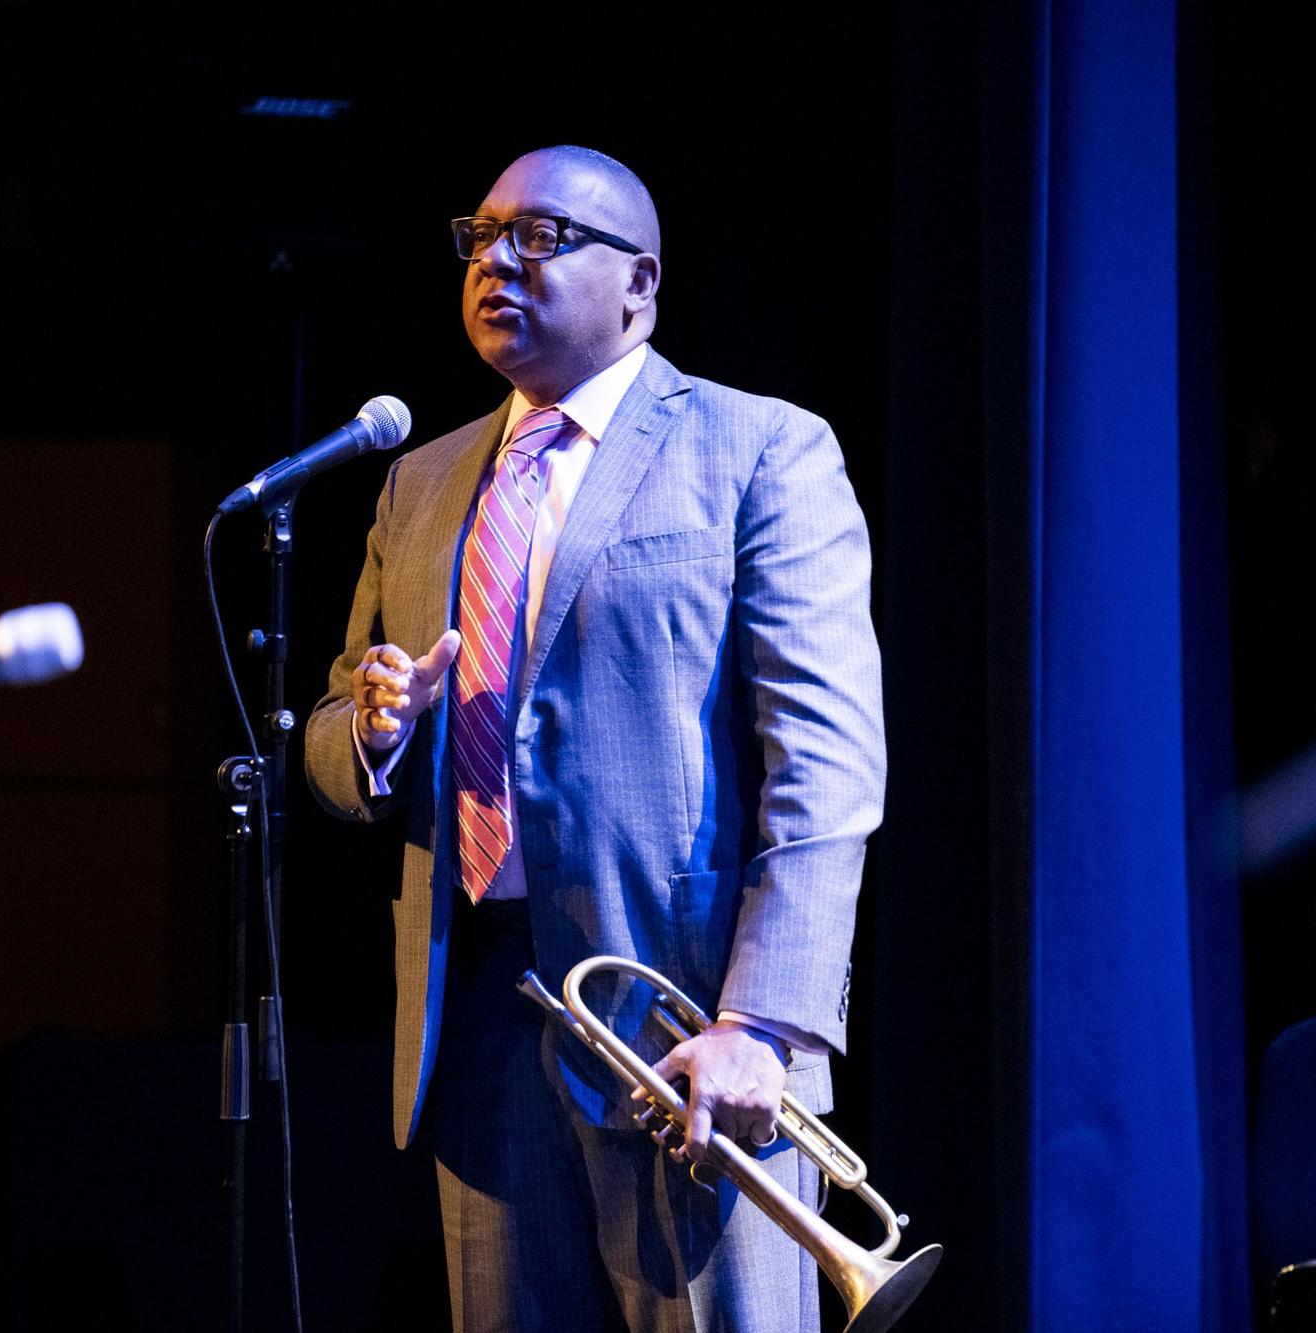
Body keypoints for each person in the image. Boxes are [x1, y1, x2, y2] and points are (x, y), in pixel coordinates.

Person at [304, 144, 884, 1332]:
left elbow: (823, 764)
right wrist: (372, 731)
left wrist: (760, 1023)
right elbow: (328, 734)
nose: (497, 260)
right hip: (477, 1027)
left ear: (641, 283)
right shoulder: (417, 482)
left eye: (544, 236)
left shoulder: (760, 446)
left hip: (691, 1034)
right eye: (481, 235)